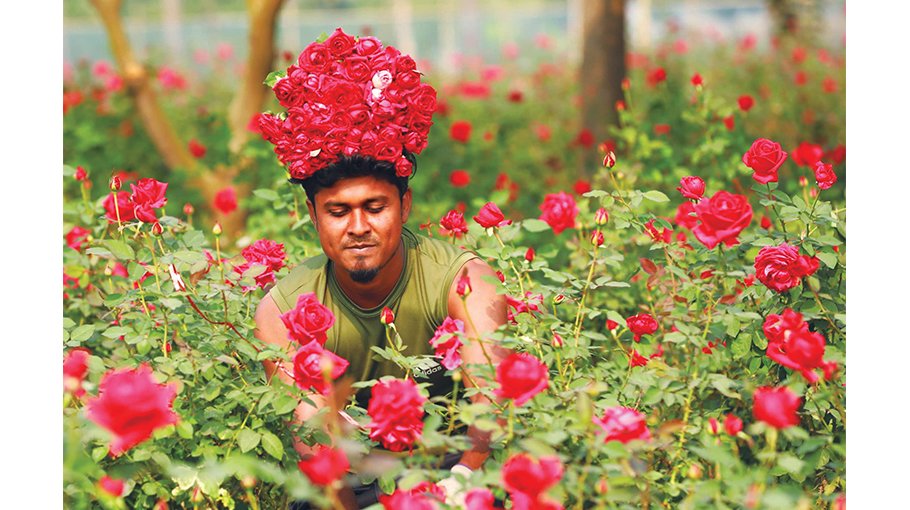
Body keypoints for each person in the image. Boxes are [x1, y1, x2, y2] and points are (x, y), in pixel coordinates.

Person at [252, 28, 509, 508]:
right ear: (313, 215)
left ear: (405, 205)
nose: (357, 226)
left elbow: (491, 405)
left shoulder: (462, 281)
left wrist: (457, 481)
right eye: (337, 210)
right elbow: (314, 442)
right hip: (352, 483)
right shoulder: (283, 308)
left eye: (375, 206)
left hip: (457, 470)